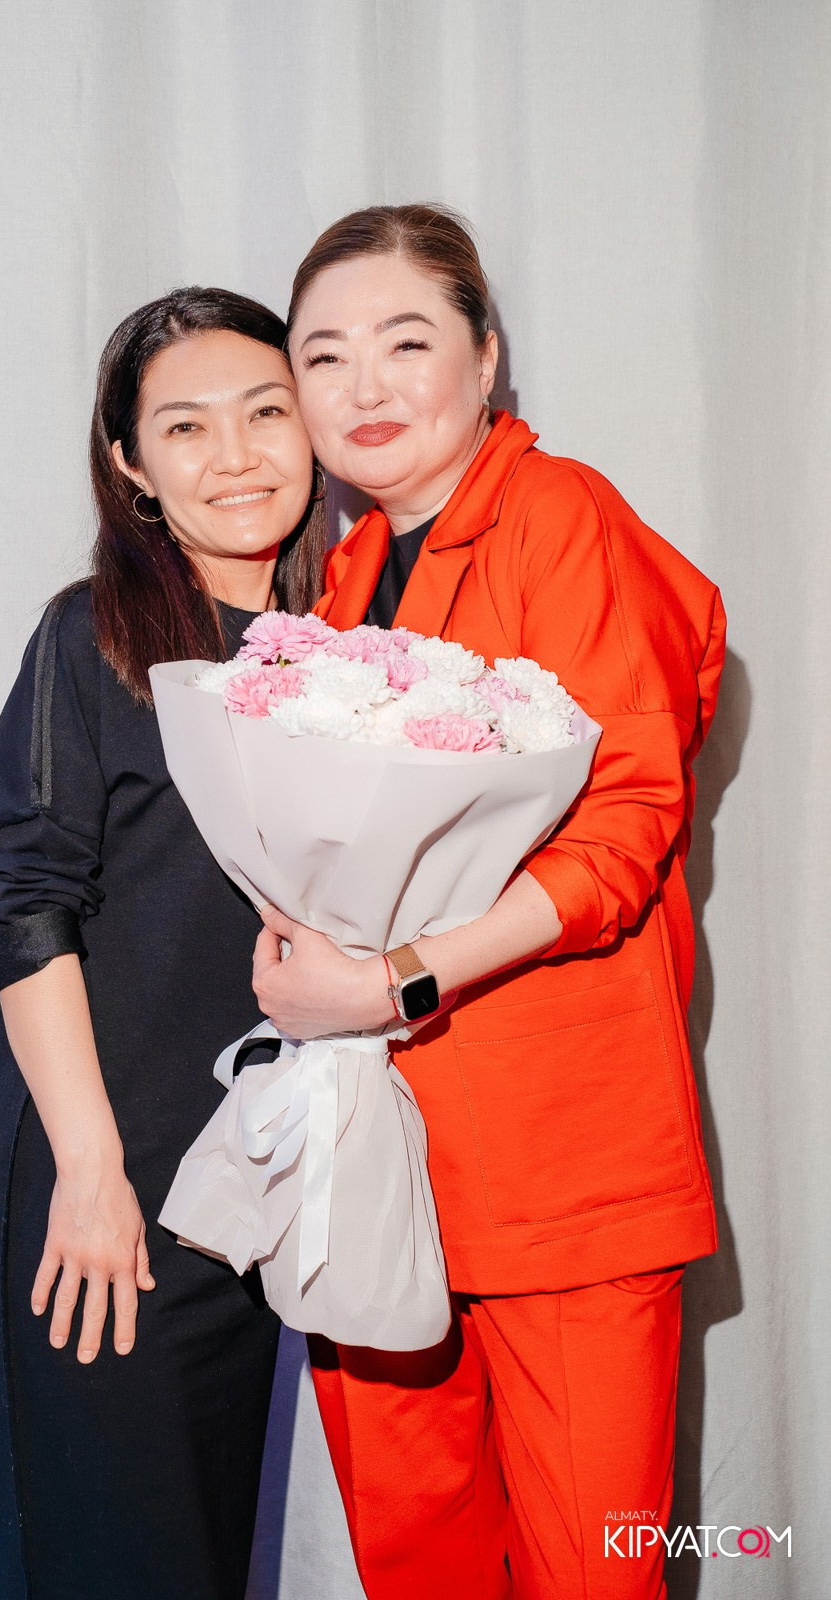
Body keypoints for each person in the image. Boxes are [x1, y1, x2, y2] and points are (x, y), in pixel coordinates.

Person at [251, 205, 726, 1600]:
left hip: (561, 1162)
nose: (366, 384)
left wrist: (391, 977)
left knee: (597, 1570)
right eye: (324, 355)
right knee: (418, 1566)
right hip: (380, 1158)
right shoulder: (341, 579)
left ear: (485, 357)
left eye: (407, 342)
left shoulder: (562, 517)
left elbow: (625, 831)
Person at [0, 286, 324, 1600]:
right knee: (110, 1562)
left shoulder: (344, 652)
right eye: (185, 427)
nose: (235, 456)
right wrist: (93, 1174)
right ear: (131, 464)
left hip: (242, 1190)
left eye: (265, 412)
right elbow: (24, 904)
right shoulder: (95, 634)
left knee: (205, 1559)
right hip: (96, 1178)